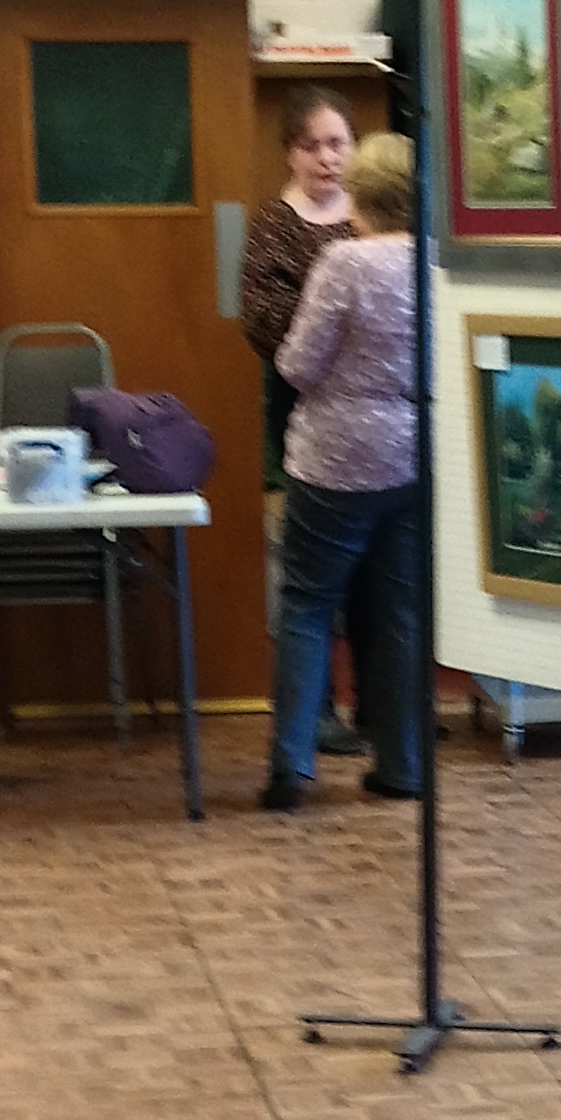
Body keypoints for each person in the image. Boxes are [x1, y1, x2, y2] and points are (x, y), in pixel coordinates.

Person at [262, 131, 424, 811]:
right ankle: (403, 765)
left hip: (332, 459)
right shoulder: (437, 263)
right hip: (411, 455)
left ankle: (292, 767)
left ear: (360, 195)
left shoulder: (344, 262)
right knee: (399, 612)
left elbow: (298, 364)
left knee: (306, 604)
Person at [235, 85, 367, 754]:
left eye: (337, 143)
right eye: (312, 145)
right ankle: (315, 714)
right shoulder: (272, 223)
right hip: (298, 418)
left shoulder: (371, 219)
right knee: (302, 572)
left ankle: (381, 707)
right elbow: (261, 317)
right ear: (290, 151)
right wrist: (337, 340)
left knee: (376, 577)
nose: (326, 158)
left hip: (375, 427)